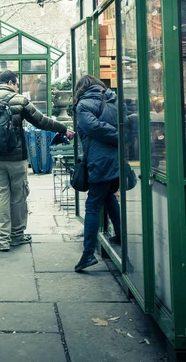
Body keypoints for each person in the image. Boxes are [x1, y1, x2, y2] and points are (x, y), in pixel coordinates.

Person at [0, 70, 74, 252]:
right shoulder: (19, 100)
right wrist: (62, 129)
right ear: (11, 82)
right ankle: (17, 235)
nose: (18, 87)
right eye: (17, 83)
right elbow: (41, 121)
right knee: (18, 195)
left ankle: (1, 239)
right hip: (16, 157)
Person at [73, 74, 120, 272]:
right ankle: (120, 235)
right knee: (108, 197)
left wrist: (116, 135)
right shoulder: (112, 100)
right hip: (115, 160)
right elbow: (125, 122)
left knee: (92, 206)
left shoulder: (83, 106)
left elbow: (92, 127)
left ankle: (88, 254)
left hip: (100, 162)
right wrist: (119, 135)